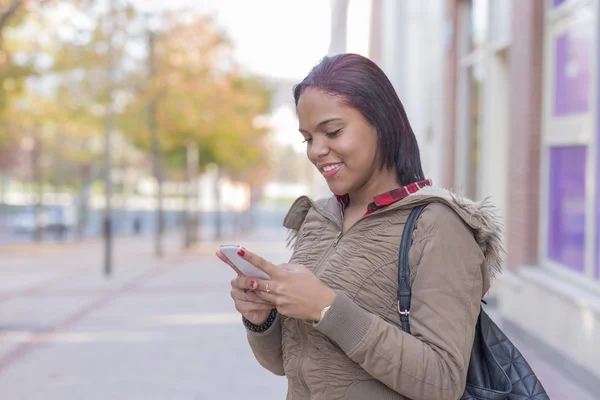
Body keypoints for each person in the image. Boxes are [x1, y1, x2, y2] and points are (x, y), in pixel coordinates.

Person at [216, 53, 503, 400]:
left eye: (332, 131)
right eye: (307, 138)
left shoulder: (438, 226)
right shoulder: (318, 219)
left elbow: (443, 382)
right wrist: (261, 320)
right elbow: (284, 363)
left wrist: (326, 308)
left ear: (381, 122)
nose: (316, 151)